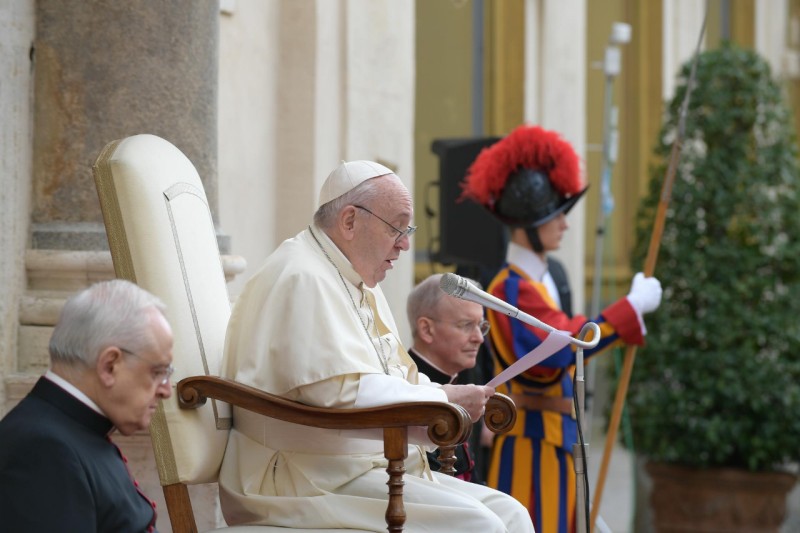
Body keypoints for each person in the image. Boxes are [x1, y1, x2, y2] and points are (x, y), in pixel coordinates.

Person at [219, 160, 534, 532]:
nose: (404, 244)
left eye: (407, 229)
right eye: (396, 227)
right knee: (481, 526)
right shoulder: (302, 276)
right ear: (349, 221)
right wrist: (443, 401)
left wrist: (442, 398)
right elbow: (339, 393)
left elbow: (390, 376)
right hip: (301, 478)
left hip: (356, 466)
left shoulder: (355, 280)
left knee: (512, 513)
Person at [461, 124, 663, 533]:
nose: (565, 225)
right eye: (554, 217)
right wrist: (628, 310)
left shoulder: (542, 280)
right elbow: (560, 345)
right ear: (525, 225)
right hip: (530, 441)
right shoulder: (512, 286)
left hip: (556, 436)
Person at [0, 279, 174, 532]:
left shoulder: (69, 431)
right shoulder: (43, 450)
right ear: (109, 366)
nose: (167, 390)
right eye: (157, 372)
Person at [406, 273, 490, 482]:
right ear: (426, 329)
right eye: (466, 325)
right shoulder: (406, 388)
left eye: (481, 326)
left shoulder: (466, 389)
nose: (479, 337)